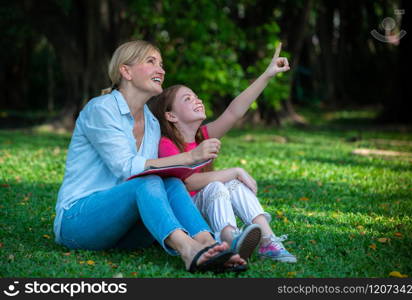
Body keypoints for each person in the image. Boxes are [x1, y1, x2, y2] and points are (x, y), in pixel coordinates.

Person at [53, 40, 247, 273]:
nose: (161, 70)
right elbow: (126, 168)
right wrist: (189, 157)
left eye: (162, 64)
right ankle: (188, 249)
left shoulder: (153, 123)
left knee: (170, 182)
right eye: (151, 62)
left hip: (125, 231)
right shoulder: (101, 109)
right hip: (79, 223)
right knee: (147, 180)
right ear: (126, 71)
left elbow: (158, 175)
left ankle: (209, 244)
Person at [149, 43, 297, 263]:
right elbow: (188, 183)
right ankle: (228, 239)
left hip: (209, 207)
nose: (197, 100)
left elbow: (234, 111)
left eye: (196, 96)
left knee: (233, 185)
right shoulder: (167, 144)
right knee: (219, 183)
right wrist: (235, 170)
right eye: (187, 99)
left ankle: (268, 240)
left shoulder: (203, 136)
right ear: (170, 116)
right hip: (189, 217)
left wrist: (267, 75)